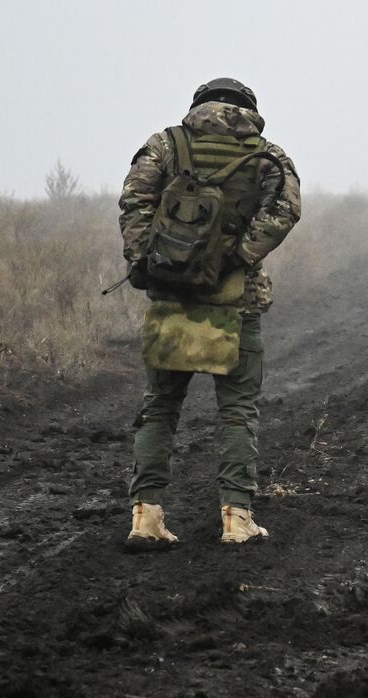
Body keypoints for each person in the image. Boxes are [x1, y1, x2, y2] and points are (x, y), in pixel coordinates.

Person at [118, 77, 301, 547]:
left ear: (199, 105)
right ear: (249, 109)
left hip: (171, 296)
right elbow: (285, 211)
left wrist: (147, 263)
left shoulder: (164, 145)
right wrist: (237, 257)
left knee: (160, 408)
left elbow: (134, 201)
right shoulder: (268, 156)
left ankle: (145, 518)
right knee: (238, 410)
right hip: (236, 301)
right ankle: (237, 519)